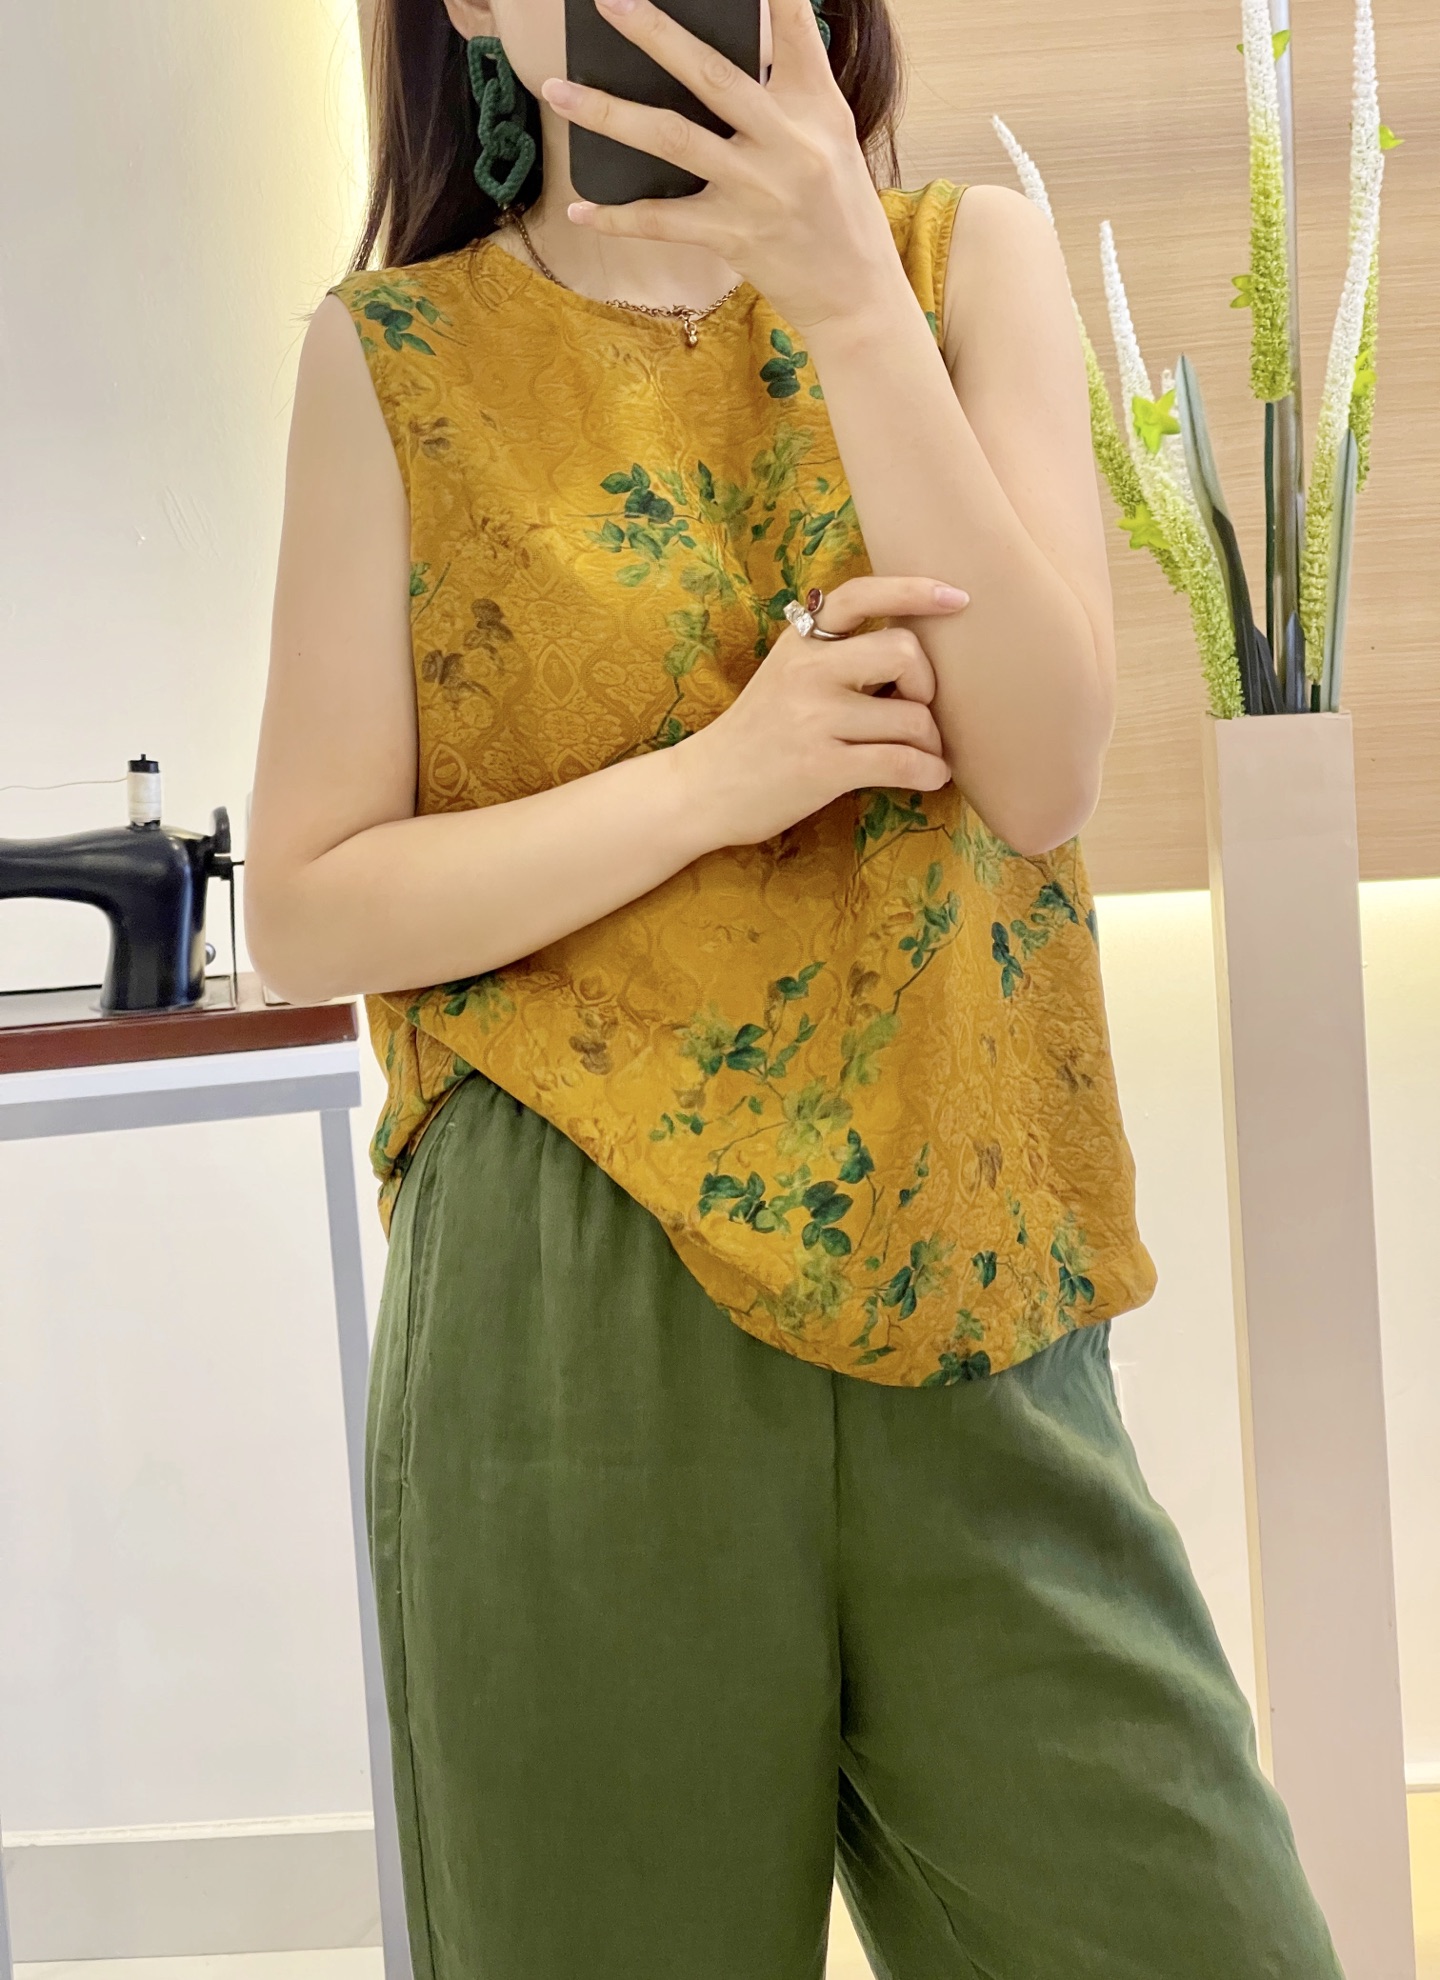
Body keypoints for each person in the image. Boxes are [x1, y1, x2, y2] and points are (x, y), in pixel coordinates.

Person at [244, 0, 1346, 1972]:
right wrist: (717, 782)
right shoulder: (392, 359)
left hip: (969, 1282)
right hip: (570, 1317)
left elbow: (1045, 769)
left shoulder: (960, 266)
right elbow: (309, 909)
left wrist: (843, 297)